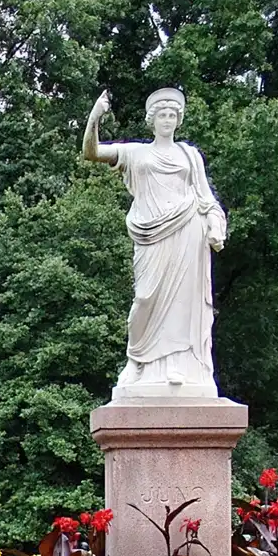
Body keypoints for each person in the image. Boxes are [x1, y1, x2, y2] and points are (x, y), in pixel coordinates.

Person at [82, 87, 228, 399]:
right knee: (146, 298)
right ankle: (137, 360)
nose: (167, 120)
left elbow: (206, 198)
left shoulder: (190, 155)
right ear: (152, 120)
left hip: (188, 229)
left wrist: (215, 225)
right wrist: (95, 118)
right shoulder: (137, 153)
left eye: (172, 115)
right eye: (161, 115)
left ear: (178, 120)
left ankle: (179, 364)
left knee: (183, 302)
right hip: (150, 234)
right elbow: (92, 152)